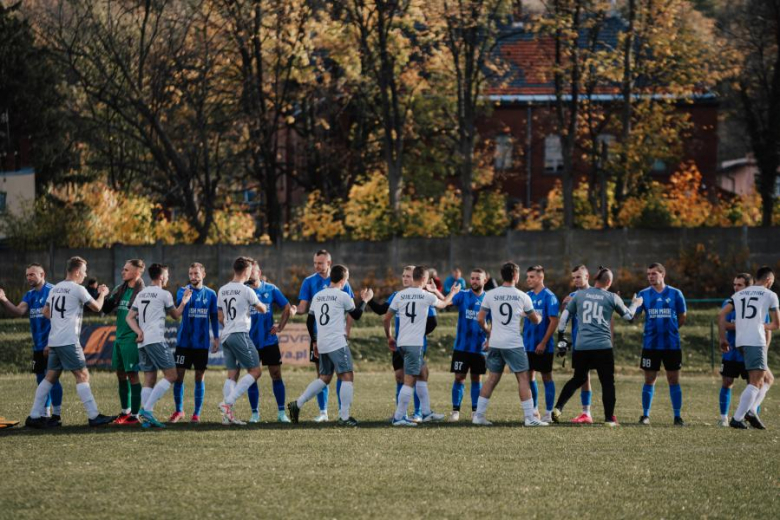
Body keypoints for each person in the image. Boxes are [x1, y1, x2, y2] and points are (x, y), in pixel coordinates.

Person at [24, 256, 115, 428]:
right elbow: (96, 307)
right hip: (69, 341)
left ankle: (34, 416)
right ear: (77, 272)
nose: (85, 275)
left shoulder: (55, 288)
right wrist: (102, 293)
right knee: (82, 375)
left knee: (50, 377)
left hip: (55, 340)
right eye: (84, 272)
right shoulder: (77, 289)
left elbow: (45, 312)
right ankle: (94, 416)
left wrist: (60, 320)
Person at [552, 267, 642, 426]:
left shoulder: (579, 295)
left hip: (582, 347)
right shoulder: (612, 297)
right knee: (607, 382)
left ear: (594, 280)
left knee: (578, 378)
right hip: (602, 346)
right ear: (609, 282)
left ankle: (558, 408)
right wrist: (635, 304)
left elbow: (565, 316)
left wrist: (561, 336)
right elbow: (629, 317)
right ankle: (608, 419)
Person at [288, 265, 372, 426]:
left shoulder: (318, 296)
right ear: (343, 280)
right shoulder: (343, 296)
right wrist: (365, 300)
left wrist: (314, 341)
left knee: (325, 378)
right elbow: (357, 315)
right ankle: (345, 417)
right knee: (347, 376)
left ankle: (297, 404)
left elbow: (310, 320)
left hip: (322, 341)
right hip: (337, 342)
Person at [472, 262, 546, 427]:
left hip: (496, 343)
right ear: (516, 276)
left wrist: (488, 332)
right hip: (513, 343)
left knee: (491, 379)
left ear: (502, 275)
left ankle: (479, 416)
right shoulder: (522, 296)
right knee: (523, 378)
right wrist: (534, 317)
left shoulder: (490, 294)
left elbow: (480, 318)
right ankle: (529, 418)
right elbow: (536, 320)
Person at [387, 265, 458, 426]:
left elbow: (386, 318)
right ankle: (399, 417)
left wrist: (389, 337)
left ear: (413, 277)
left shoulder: (400, 295)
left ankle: (426, 412)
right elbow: (445, 303)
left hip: (402, 343)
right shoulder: (426, 296)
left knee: (423, 373)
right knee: (409, 380)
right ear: (424, 279)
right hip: (415, 344)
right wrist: (453, 292)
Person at [367, 265, 437, 422]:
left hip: (415, 343)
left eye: (409, 276)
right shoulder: (397, 296)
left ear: (417, 279)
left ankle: (417, 413)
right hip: (399, 343)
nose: (406, 278)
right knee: (400, 377)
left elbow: (433, 322)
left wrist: (415, 333)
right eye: (404, 276)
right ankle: (401, 414)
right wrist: (369, 300)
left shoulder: (423, 295)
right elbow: (381, 311)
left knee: (417, 376)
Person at [125, 264, 191, 428]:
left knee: (149, 377)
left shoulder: (142, 293)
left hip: (143, 342)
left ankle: (147, 418)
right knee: (172, 375)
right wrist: (184, 301)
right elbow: (175, 315)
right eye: (167, 275)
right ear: (161, 277)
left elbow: (129, 317)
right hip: (155, 340)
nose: (168, 277)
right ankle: (146, 410)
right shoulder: (164, 294)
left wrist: (138, 332)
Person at [0, 264, 63, 423]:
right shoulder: (29, 295)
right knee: (40, 379)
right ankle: (45, 414)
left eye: (32, 275)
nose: (29, 278)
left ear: (43, 274)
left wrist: (52, 342)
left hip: (52, 345)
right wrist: (3, 299)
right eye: (27, 275)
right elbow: (18, 312)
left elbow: (61, 319)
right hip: (38, 346)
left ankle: (57, 414)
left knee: (53, 379)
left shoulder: (53, 290)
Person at [296, 249, 354, 422]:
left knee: (329, 376)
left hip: (325, 338)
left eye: (320, 263)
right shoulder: (309, 282)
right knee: (338, 375)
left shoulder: (339, 281)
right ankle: (326, 412)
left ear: (329, 263)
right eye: (315, 263)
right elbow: (302, 308)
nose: (317, 266)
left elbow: (349, 310)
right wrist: (292, 310)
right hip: (323, 337)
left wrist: (348, 330)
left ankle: (337, 411)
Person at [718, 266, 779, 430]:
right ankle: (738, 417)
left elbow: (721, 314)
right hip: (755, 341)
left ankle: (751, 410)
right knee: (755, 382)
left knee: (767, 379)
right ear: (769, 280)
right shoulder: (770, 295)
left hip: (741, 341)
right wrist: (761, 324)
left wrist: (723, 338)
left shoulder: (740, 294)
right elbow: (775, 324)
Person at [216, 257, 268, 425]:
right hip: (240, 333)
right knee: (255, 371)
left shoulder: (222, 290)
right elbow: (262, 308)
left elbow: (220, 316)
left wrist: (230, 325)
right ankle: (227, 403)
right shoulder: (246, 290)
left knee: (232, 374)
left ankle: (227, 417)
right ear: (246, 271)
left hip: (226, 335)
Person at [634, 263, 688, 426]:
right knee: (649, 380)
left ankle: (677, 416)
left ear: (662, 275)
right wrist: (633, 305)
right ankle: (645, 415)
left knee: (673, 380)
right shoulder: (643, 294)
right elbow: (633, 317)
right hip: (650, 345)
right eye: (648, 274)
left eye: (653, 274)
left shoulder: (676, 293)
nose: (650, 276)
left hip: (672, 345)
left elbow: (682, 316)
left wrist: (671, 329)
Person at [247, 262, 295, 423]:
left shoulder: (271, 289)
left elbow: (287, 307)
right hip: (249, 341)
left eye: (252, 272)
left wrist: (280, 326)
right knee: (252, 377)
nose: (249, 275)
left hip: (269, 340)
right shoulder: (243, 290)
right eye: (247, 272)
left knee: (276, 374)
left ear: (259, 272)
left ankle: (281, 413)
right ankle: (254, 414)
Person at [171, 263, 219, 423]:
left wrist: (217, 338)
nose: (193, 277)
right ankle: (179, 411)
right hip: (184, 343)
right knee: (178, 377)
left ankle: (196, 414)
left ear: (203, 274)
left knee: (200, 376)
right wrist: (184, 299)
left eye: (196, 274)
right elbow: (178, 308)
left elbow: (213, 317)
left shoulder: (211, 294)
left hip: (201, 344)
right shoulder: (182, 291)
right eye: (190, 274)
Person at [101, 259, 146, 425]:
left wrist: (140, 333)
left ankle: (135, 415)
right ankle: (125, 412)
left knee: (133, 375)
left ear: (137, 273)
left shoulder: (143, 292)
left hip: (131, 339)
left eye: (126, 270)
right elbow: (105, 309)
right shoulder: (119, 289)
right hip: (119, 338)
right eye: (123, 269)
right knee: (120, 374)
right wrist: (103, 294)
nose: (123, 272)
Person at [447, 268, 489, 421]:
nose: (474, 281)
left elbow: (495, 322)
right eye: (472, 278)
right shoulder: (463, 295)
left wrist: (490, 338)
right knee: (459, 377)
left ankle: (475, 411)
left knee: (477, 378)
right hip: (461, 347)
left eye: (478, 278)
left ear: (485, 280)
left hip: (479, 347)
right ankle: (455, 411)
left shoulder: (489, 299)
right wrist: (443, 292)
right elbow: (446, 302)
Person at [523, 265, 559, 423]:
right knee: (529, 376)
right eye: (528, 277)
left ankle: (548, 412)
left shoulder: (549, 296)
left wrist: (543, 342)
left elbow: (554, 321)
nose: (528, 279)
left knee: (546, 377)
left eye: (532, 277)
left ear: (541, 277)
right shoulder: (526, 296)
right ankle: (534, 410)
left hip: (544, 346)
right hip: (527, 345)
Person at [718, 273, 754, 426]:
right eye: (734, 284)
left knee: (752, 385)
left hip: (749, 351)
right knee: (727, 382)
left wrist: (765, 347)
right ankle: (723, 418)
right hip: (730, 351)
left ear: (748, 287)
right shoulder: (728, 302)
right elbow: (723, 323)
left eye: (739, 285)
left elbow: (765, 329)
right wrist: (743, 325)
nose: (735, 288)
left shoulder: (756, 304)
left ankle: (752, 418)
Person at [561, 265, 594, 424]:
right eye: (573, 277)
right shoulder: (572, 296)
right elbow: (564, 320)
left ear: (587, 276)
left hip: (597, 344)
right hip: (579, 345)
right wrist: (564, 306)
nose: (576, 280)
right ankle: (586, 413)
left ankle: (610, 414)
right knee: (584, 378)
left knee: (605, 377)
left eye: (579, 277)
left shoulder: (597, 294)